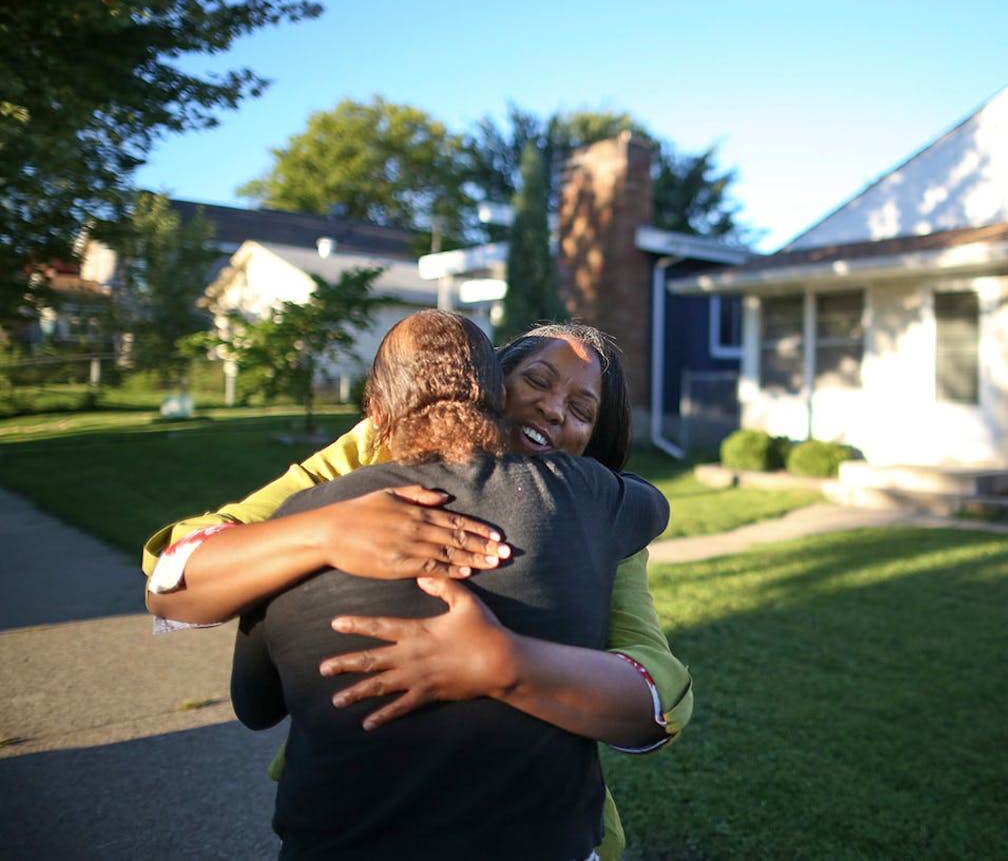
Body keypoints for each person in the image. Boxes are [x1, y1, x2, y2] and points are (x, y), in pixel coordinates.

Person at [142, 321, 692, 860]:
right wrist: (324, 531)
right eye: (539, 381)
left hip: (532, 824)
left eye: (581, 410)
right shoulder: (373, 448)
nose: (553, 409)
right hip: (355, 809)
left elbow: (660, 699)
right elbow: (174, 580)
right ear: (486, 383)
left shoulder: (600, 520)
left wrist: (506, 663)